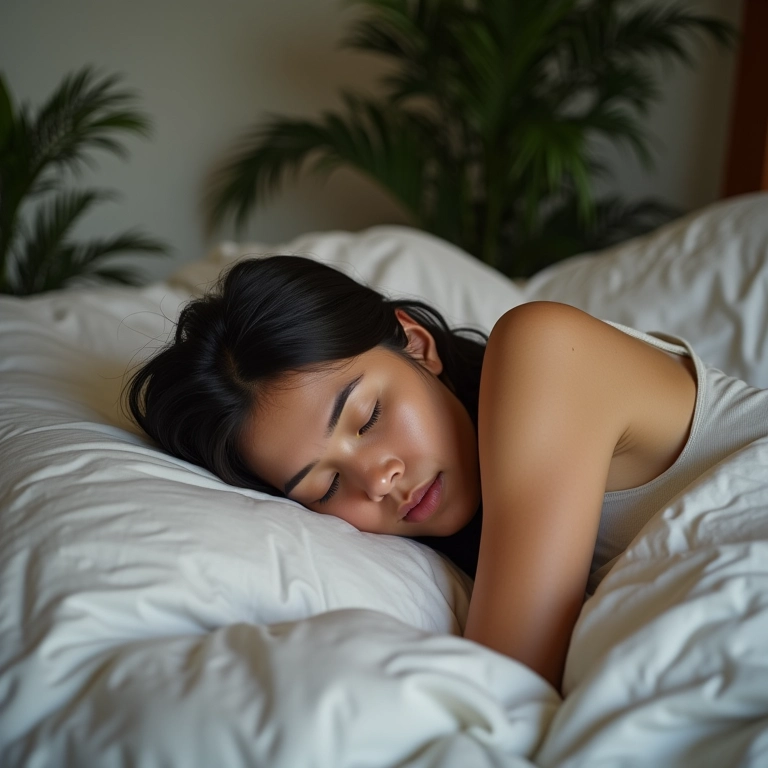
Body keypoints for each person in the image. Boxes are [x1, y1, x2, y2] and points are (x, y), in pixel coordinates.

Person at [123, 254, 768, 694]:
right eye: (323, 485)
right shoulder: (474, 545)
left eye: (369, 415)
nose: (378, 480)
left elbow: (507, 683)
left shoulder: (543, 350)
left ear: (416, 343)